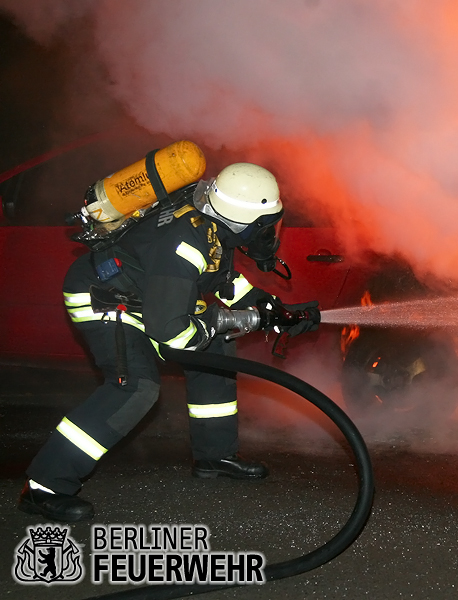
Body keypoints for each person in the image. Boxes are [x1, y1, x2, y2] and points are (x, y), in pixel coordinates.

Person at [18, 162, 319, 522]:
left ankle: (214, 457)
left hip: (150, 295)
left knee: (216, 352)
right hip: (107, 300)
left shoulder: (211, 223)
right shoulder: (185, 242)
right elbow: (170, 331)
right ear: (245, 223)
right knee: (135, 388)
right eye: (265, 226)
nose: (269, 233)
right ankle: (44, 487)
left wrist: (271, 308)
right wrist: (222, 321)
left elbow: (220, 279)